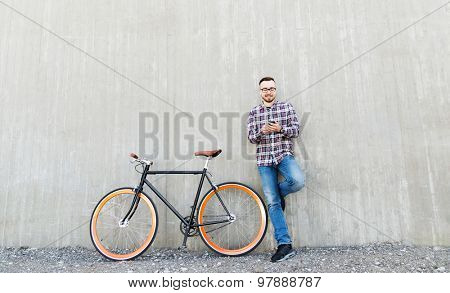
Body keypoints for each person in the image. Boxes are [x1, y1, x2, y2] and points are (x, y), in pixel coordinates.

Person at [247, 76, 305, 262]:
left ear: (275, 90)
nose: (268, 92)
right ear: (260, 92)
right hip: (264, 160)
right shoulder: (254, 112)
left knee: (297, 181)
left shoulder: (286, 107)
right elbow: (251, 137)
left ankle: (277, 194)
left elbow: (296, 130)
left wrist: (280, 128)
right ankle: (284, 245)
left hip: (283, 155)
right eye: (265, 89)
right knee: (272, 203)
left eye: (271, 88)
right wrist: (261, 132)